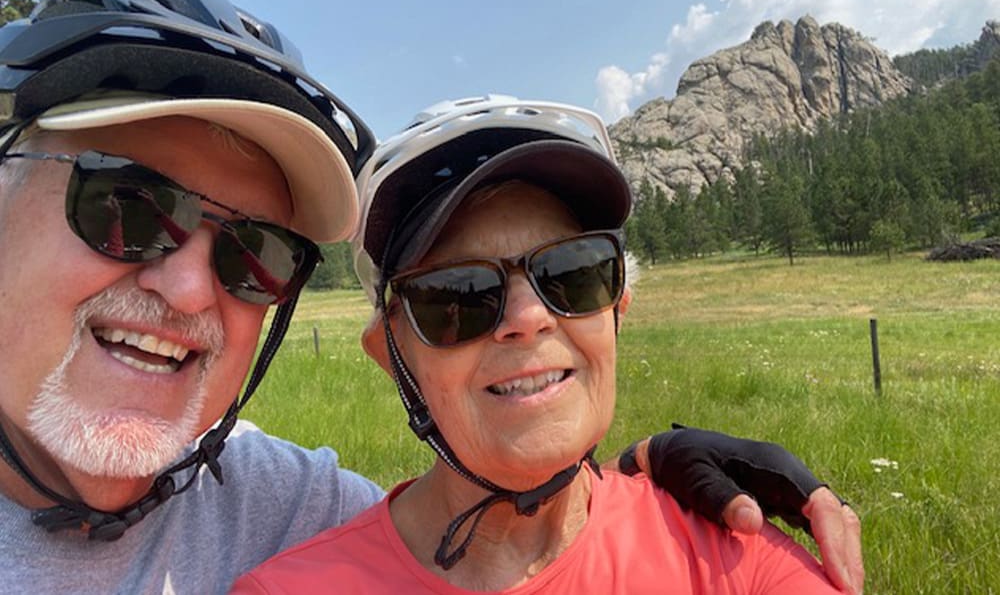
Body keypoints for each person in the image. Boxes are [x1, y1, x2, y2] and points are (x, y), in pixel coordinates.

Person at [0, 0, 859, 595]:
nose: (190, 287)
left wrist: (643, 468)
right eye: (124, 204)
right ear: (390, 353)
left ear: (616, 306)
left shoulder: (282, 500)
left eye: (255, 251)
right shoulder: (293, 563)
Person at [232, 96, 861, 594]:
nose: (529, 318)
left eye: (570, 274)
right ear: (394, 358)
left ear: (617, 312)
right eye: (457, 295)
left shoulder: (734, 556)